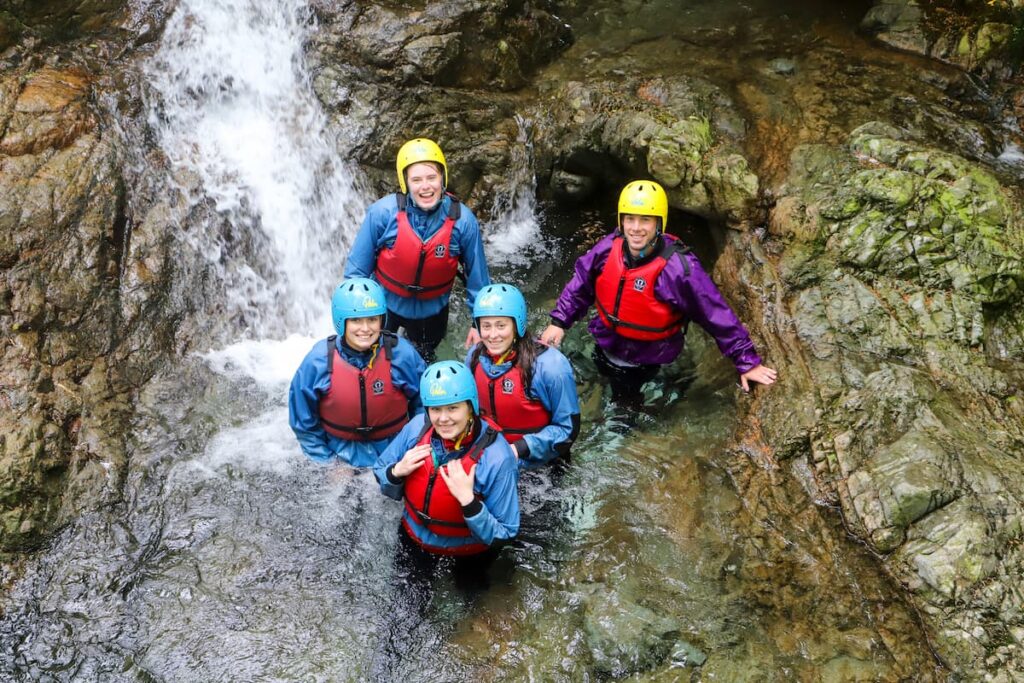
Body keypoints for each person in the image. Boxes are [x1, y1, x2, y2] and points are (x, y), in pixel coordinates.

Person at [540, 180, 777, 403]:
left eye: (645, 220)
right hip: (606, 343)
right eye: (630, 219)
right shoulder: (607, 249)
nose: (636, 228)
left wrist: (747, 363)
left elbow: (715, 314)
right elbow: (581, 283)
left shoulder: (679, 269)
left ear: (658, 223)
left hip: (647, 361)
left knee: (623, 410)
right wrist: (559, 322)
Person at [344, 138, 490, 363]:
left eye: (432, 177)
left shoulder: (463, 222)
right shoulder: (382, 214)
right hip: (384, 309)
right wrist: (353, 319)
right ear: (405, 183)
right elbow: (355, 274)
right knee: (376, 364)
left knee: (422, 365)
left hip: (431, 315)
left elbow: (478, 280)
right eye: (417, 180)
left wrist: (480, 324)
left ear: (443, 178)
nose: (425, 186)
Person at [374, 360, 519, 557]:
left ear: (470, 407)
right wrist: (395, 472)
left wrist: (469, 502)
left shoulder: (498, 457)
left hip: (467, 556)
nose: (443, 419)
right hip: (412, 540)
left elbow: (506, 533)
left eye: (452, 408)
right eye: (435, 409)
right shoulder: (417, 428)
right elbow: (380, 468)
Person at [289, 278, 426, 468]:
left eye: (372, 319)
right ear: (341, 321)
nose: (365, 328)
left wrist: (411, 447)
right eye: (355, 320)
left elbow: (425, 406)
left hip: (396, 451)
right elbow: (303, 424)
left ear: (382, 320)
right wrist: (329, 463)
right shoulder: (318, 362)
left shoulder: (402, 355)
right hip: (339, 453)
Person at [466, 283, 580, 469]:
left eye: (501, 325)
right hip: (490, 458)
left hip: (540, 465)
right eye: (486, 326)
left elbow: (567, 429)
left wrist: (519, 448)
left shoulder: (550, 366)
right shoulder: (474, 358)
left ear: (517, 324)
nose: (492, 335)